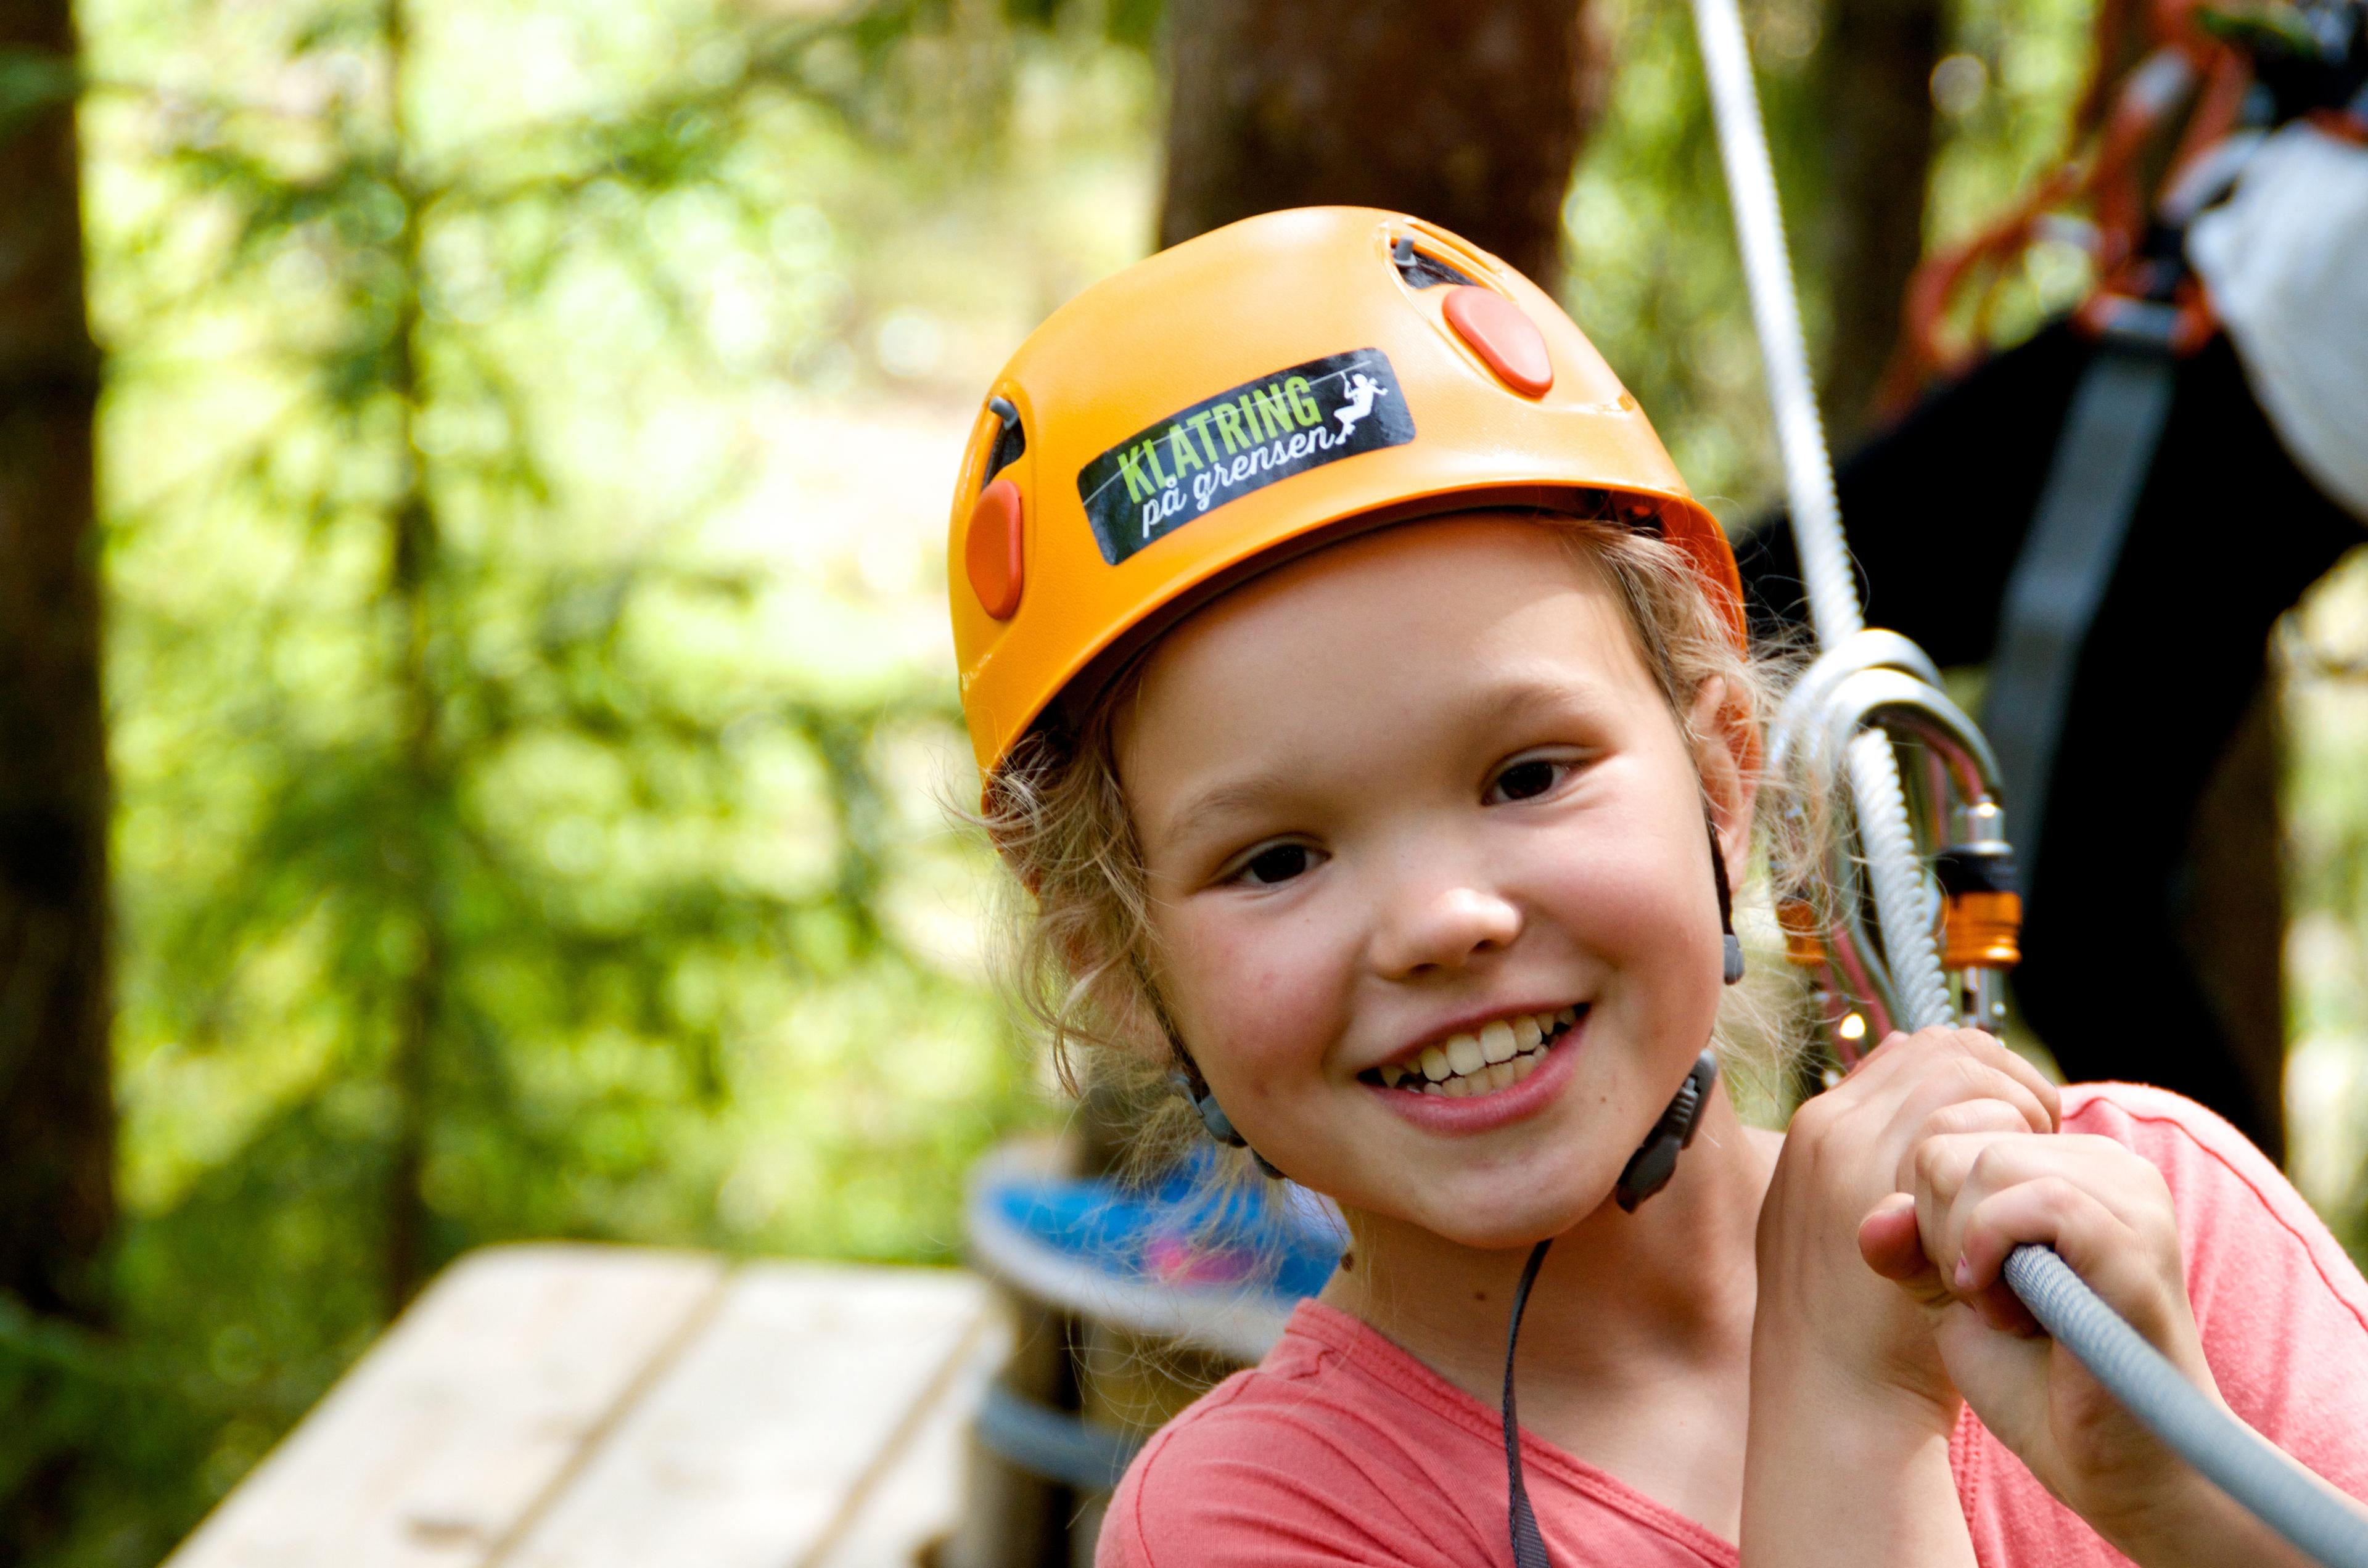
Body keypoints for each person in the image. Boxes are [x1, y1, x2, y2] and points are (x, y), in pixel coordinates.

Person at [944, 205, 2368, 1567]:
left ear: (1723, 776)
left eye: (1526, 776)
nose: (1446, 921)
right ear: (1122, 968)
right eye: (1276, 860)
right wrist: (1846, 1407)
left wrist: (2180, 1500)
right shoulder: (1262, 1525)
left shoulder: (2152, 1222)